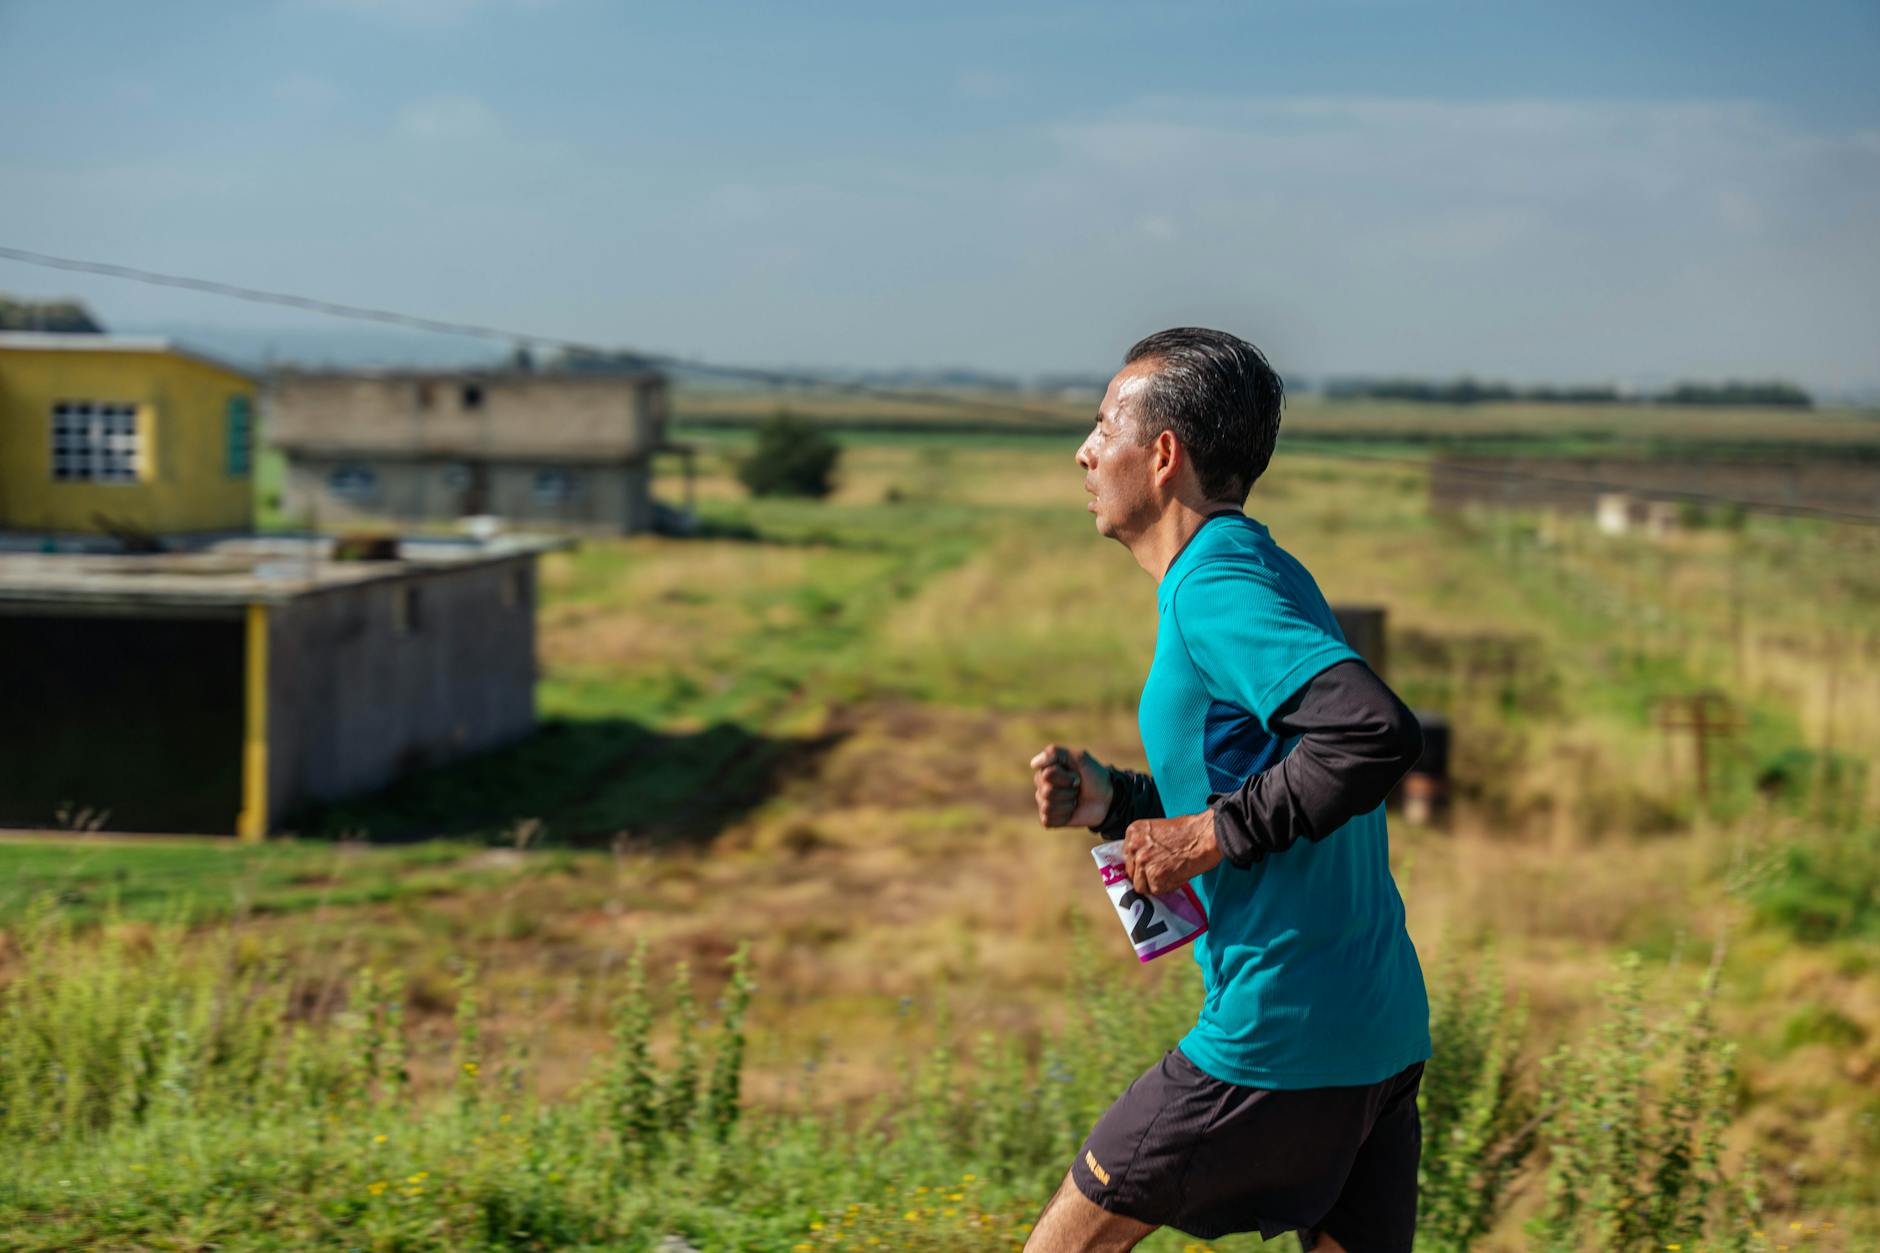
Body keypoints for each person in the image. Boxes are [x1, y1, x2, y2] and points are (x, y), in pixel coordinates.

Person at [1025, 328, 1431, 1253]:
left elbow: (1371, 731)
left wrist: (1204, 839)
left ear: (1164, 455)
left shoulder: (1215, 583)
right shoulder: (1262, 566)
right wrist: (1115, 800)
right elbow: (1268, 775)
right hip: (1380, 1029)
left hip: (1278, 1031)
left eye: (1100, 426)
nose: (1085, 452)